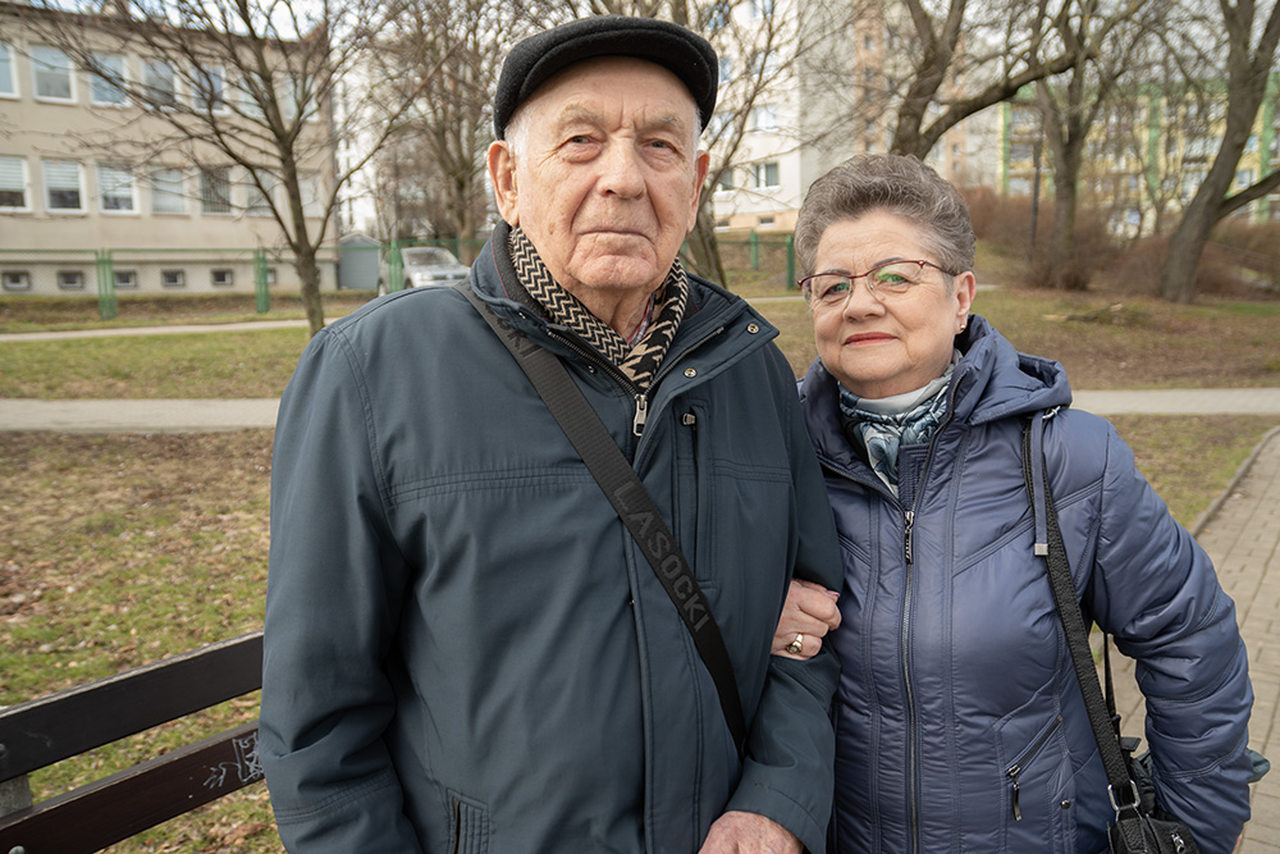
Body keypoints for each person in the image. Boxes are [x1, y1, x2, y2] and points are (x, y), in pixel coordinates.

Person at [259, 15, 843, 854]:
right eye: (580, 141)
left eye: (659, 147)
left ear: (697, 180)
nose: (623, 179)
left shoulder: (747, 368)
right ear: (507, 177)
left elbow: (807, 629)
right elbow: (318, 723)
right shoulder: (372, 371)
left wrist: (779, 799)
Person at [773, 154, 1255, 853]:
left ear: (961, 295)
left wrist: (1197, 834)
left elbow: (1193, 642)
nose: (860, 302)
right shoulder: (772, 460)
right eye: (831, 285)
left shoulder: (1070, 460)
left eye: (895, 277)